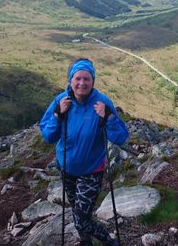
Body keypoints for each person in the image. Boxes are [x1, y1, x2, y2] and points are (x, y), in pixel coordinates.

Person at [40, 58, 128, 246]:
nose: (82, 83)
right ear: (70, 80)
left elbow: (120, 137)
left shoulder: (102, 102)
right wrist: (57, 114)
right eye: (78, 78)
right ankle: (85, 241)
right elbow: (48, 136)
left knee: (81, 217)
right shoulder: (61, 101)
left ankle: (109, 242)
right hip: (66, 168)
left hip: (92, 170)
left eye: (87, 79)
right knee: (77, 211)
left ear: (93, 81)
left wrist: (109, 117)